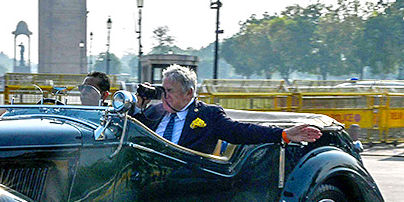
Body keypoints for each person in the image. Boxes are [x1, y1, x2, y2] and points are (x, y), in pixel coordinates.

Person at [135, 65, 321, 155]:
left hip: (182, 181)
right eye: (163, 90)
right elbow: (130, 131)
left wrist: (284, 134)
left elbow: (241, 131)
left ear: (188, 93)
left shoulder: (208, 115)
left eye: (169, 91)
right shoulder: (155, 112)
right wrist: (138, 106)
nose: (164, 96)